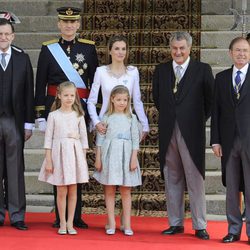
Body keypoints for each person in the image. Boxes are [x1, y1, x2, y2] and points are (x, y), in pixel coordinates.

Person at [34, 6, 98, 229]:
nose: (69, 26)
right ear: (59, 24)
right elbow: (40, 81)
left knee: (76, 164)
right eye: (65, 22)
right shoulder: (48, 49)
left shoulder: (88, 49)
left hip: (78, 111)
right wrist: (41, 113)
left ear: (79, 24)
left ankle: (76, 215)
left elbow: (94, 84)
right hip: (55, 109)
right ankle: (59, 217)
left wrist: (92, 116)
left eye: (73, 22)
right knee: (58, 165)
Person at [152, 31, 214, 240]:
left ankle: (200, 224)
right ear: (170, 49)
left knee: (195, 178)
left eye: (182, 48)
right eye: (174, 48)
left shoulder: (202, 70)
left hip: (192, 131)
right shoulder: (160, 70)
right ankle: (176, 223)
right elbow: (157, 99)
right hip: (168, 129)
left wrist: (194, 120)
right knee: (172, 176)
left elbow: (210, 101)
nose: (178, 52)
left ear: (189, 48)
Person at [211, 37, 250, 244]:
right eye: (237, 50)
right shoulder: (221, 78)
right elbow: (216, 112)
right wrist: (215, 141)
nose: (241, 54)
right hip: (228, 141)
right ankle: (233, 230)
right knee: (232, 188)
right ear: (230, 53)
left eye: (245, 50)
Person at [38, 81, 89, 235]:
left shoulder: (79, 115)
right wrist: (48, 160)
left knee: (73, 190)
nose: (69, 98)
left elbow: (84, 140)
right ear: (59, 96)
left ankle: (70, 223)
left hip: (74, 155)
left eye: (72, 95)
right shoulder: (53, 116)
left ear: (76, 97)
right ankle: (61, 222)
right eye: (66, 95)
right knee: (61, 191)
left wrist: (83, 160)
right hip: (58, 155)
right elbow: (48, 140)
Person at [0, 14, 34, 230]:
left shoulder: (23, 58)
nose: (2, 37)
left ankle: (17, 214)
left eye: (6, 34)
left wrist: (29, 123)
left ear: (13, 36)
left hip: (14, 120)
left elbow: (28, 93)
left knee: (15, 169)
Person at [94, 85, 141, 236]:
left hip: (126, 155)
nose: (122, 103)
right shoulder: (106, 117)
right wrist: (98, 159)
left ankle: (126, 223)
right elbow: (100, 140)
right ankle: (111, 222)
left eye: (125, 100)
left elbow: (135, 141)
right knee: (109, 190)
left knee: (126, 191)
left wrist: (134, 159)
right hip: (109, 155)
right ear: (112, 99)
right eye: (119, 99)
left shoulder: (132, 118)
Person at [87, 34, 149, 139]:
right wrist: (97, 122)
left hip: (127, 123)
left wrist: (145, 124)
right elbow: (91, 101)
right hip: (105, 124)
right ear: (110, 51)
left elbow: (137, 101)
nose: (121, 52)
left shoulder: (133, 72)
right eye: (117, 48)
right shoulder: (101, 72)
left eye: (123, 49)